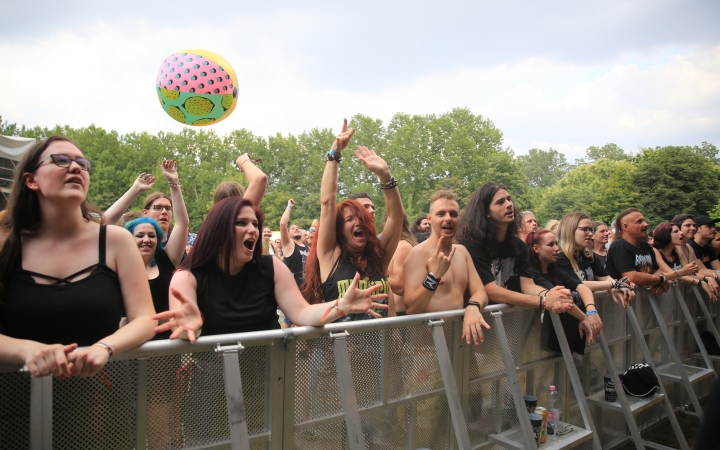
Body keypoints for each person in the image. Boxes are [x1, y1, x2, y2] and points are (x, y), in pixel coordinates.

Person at [0, 136, 156, 378]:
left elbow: (145, 319)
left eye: (82, 164)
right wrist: (27, 350)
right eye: (60, 161)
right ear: (31, 180)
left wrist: (104, 347)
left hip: (95, 401)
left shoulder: (116, 240)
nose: (75, 167)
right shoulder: (5, 243)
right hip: (13, 400)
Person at [153, 197, 388, 340]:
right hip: (214, 383)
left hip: (268, 377)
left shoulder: (270, 267)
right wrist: (191, 326)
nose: (253, 230)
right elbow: (183, 334)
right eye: (242, 223)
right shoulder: (186, 277)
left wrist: (341, 306)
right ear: (218, 229)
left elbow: (303, 313)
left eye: (255, 224)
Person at [302, 119, 404, 321]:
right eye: (350, 219)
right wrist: (334, 154)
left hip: (378, 349)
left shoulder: (379, 257)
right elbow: (327, 202)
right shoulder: (330, 255)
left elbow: (396, 216)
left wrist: (385, 176)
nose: (358, 223)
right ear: (340, 229)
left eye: (362, 218)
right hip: (340, 349)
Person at [456, 182, 574, 314]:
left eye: (509, 199)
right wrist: (543, 301)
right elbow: (491, 291)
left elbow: (528, 285)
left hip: (510, 320)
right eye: (500, 202)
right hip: (478, 320)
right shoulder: (471, 245)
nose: (509, 204)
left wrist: (551, 295)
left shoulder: (518, 246)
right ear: (486, 212)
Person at [403, 190, 490, 343]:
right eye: (441, 214)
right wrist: (433, 277)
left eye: (453, 214)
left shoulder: (462, 252)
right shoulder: (418, 254)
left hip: (461, 340)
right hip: (427, 347)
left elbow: (480, 292)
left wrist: (473, 307)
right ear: (429, 219)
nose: (448, 219)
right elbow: (412, 308)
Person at [526, 229, 600, 352]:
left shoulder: (556, 271)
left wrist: (591, 311)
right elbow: (561, 298)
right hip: (541, 337)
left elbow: (582, 287)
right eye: (550, 245)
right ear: (536, 248)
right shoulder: (532, 273)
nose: (556, 249)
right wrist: (584, 318)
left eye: (556, 244)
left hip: (562, 334)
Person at [124, 215, 186, 340]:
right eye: (140, 235)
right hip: (130, 345)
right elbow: (103, 223)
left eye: (152, 236)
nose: (146, 239)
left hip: (167, 344)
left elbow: (182, 223)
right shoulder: (118, 268)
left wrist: (175, 193)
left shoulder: (166, 260)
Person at [104, 160, 190, 248]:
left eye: (168, 208)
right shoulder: (125, 249)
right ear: (145, 213)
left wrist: (174, 182)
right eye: (158, 207)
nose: (164, 212)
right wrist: (135, 189)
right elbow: (102, 225)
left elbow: (182, 224)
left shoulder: (169, 253)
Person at [555, 212, 635, 307]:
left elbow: (604, 277)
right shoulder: (559, 258)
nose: (590, 234)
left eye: (591, 230)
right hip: (569, 314)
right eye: (585, 230)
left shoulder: (588, 256)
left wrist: (614, 287)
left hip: (591, 310)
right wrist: (614, 285)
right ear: (570, 230)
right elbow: (577, 284)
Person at [605, 208, 670, 295]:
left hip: (645, 301)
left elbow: (657, 270)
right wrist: (660, 280)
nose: (646, 224)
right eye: (639, 222)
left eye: (644, 221)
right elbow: (632, 277)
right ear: (625, 226)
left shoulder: (645, 245)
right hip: (625, 304)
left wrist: (658, 283)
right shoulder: (619, 246)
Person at [651, 222, 715, 300]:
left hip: (677, 299)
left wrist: (706, 278)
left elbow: (687, 273)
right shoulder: (655, 251)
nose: (681, 233)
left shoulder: (676, 251)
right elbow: (674, 274)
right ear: (665, 235)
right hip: (661, 299)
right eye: (676, 231)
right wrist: (699, 282)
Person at [385, 214, 417, 316]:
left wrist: (371, 278)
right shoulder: (397, 246)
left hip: (402, 314)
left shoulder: (402, 247)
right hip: (395, 313)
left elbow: (400, 285)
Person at [279, 199, 309, 287]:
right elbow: (283, 224)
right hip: (293, 289)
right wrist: (289, 206)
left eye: (297, 228)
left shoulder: (308, 248)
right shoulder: (289, 245)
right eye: (293, 228)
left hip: (308, 289)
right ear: (288, 234)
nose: (296, 229)